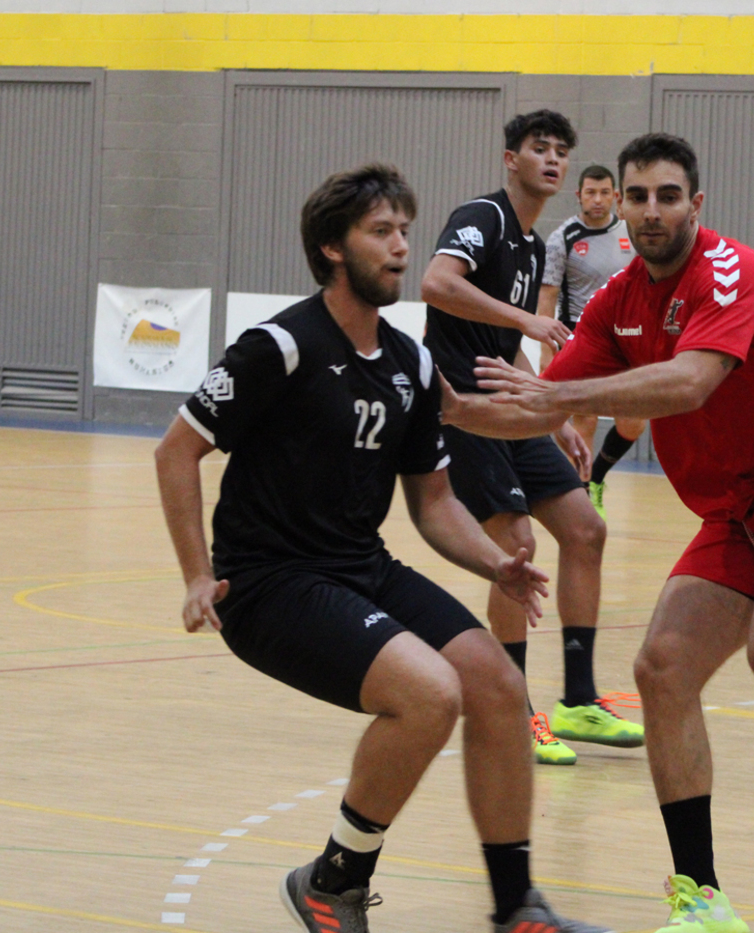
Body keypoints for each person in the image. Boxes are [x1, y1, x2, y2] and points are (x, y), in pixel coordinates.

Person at [447, 133, 754, 933]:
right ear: (619, 207)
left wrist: (562, 398)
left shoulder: (733, 272)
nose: (651, 211)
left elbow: (688, 383)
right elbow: (537, 404)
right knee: (663, 668)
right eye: (638, 196)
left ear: (696, 204)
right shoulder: (616, 302)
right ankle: (702, 898)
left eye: (668, 196)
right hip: (739, 508)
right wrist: (446, 409)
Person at [153, 164, 611, 933]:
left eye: (404, 230)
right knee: (430, 694)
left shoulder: (410, 363)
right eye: (381, 232)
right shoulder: (280, 346)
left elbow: (434, 503)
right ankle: (332, 882)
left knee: (499, 685)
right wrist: (197, 574)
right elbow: (175, 451)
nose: (401, 246)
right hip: (268, 583)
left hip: (360, 568)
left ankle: (517, 908)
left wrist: (495, 563)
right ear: (333, 248)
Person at [420, 111, 642, 765]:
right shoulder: (484, 217)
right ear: (510, 159)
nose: (552, 159)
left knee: (586, 529)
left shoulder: (530, 243)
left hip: (512, 407)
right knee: (516, 546)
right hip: (464, 412)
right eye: (539, 148)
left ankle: (577, 698)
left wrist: (553, 413)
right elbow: (436, 283)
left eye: (560, 151)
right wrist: (525, 320)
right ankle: (511, 707)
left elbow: (503, 347)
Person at [539, 163, 648, 520]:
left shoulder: (631, 233)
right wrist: (545, 350)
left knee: (634, 422)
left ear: (615, 196)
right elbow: (547, 295)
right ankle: (581, 497)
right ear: (579, 195)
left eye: (604, 193)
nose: (597, 200)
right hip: (580, 337)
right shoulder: (562, 238)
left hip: (627, 338)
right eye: (590, 193)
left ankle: (597, 476)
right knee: (583, 420)